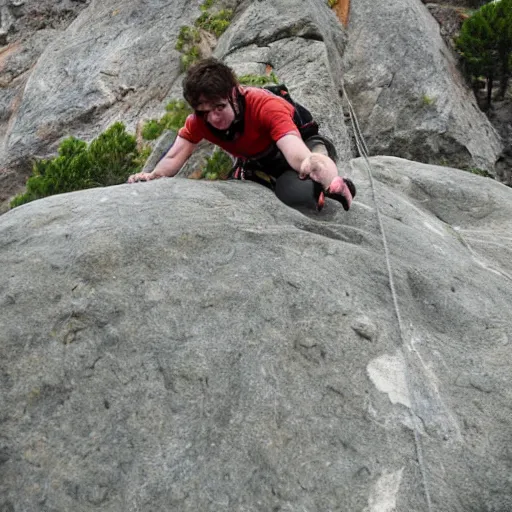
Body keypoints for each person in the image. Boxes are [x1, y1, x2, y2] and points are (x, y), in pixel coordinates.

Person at [127, 58, 355, 211]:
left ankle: (333, 183)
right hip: (258, 163)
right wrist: (153, 175)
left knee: (299, 191)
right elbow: (175, 156)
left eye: (219, 108)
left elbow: (294, 149)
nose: (214, 118)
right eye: (204, 112)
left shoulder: (265, 107)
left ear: (235, 94)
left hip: (303, 146)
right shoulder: (199, 121)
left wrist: (309, 163)